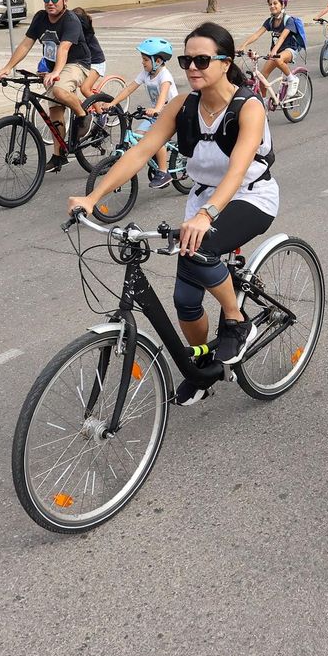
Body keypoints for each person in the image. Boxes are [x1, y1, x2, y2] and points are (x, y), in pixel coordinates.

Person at [67, 22, 277, 404]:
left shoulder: (248, 107)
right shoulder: (183, 105)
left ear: (225, 62)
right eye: (186, 60)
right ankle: (202, 369)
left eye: (201, 59)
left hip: (250, 195)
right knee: (185, 297)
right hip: (202, 201)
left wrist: (207, 215)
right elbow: (140, 152)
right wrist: (94, 196)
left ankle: (236, 320)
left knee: (201, 251)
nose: (191, 67)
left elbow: (238, 168)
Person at [0, 0, 92, 172]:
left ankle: (82, 114)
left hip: (77, 64)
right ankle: (59, 155)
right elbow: (26, 44)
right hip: (56, 66)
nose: (50, 2)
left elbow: (64, 48)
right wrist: (8, 67)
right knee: (54, 109)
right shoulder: (40, 18)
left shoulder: (71, 20)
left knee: (60, 90)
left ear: (65, 1)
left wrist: (55, 72)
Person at [101, 37, 179, 187]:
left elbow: (163, 95)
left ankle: (164, 172)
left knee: (156, 138)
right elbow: (130, 88)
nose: (142, 62)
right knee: (139, 135)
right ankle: (157, 158)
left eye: (145, 60)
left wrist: (157, 109)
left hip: (170, 112)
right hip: (156, 114)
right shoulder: (146, 73)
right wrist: (113, 103)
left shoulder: (164, 75)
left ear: (157, 61)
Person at [238, 0, 307, 97]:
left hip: (289, 51)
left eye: (275, 3)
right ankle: (264, 104)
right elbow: (257, 34)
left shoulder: (289, 21)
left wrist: (274, 50)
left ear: (283, 4)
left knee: (278, 59)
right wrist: (244, 45)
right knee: (262, 78)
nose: (272, 6)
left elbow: (283, 37)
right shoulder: (270, 21)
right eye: (270, 4)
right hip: (275, 54)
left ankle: (292, 79)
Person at [73, 8, 109, 93]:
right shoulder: (73, 31)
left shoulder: (86, 34)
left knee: (85, 89)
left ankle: (98, 107)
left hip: (96, 63)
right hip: (83, 63)